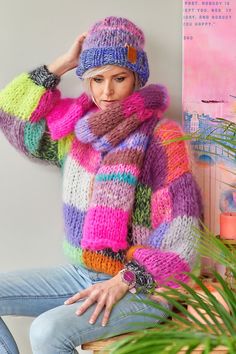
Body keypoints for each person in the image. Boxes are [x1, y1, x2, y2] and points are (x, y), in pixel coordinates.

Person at [0, 16, 202, 354]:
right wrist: (64, 63)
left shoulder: (161, 137)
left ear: (137, 78)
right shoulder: (75, 132)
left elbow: (181, 232)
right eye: (96, 79)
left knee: (47, 331)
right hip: (83, 273)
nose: (106, 91)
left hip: (144, 286)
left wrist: (126, 279)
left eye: (118, 78)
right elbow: (13, 117)